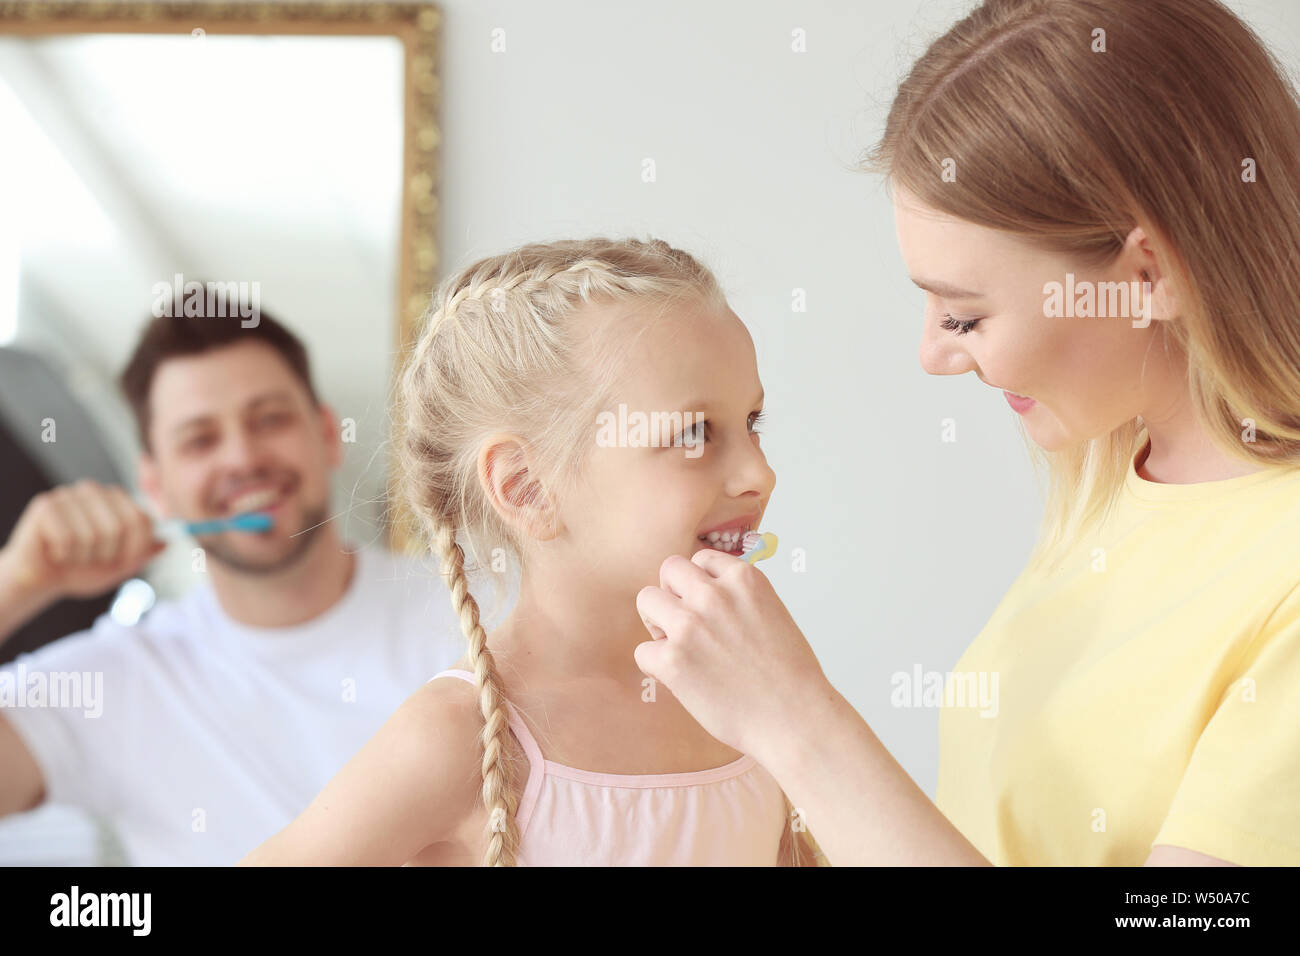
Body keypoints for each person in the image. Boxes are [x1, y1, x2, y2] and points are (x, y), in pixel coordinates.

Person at [635, 0, 1300, 866]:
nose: (931, 356)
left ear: (1146, 274)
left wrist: (798, 724)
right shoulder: (1116, 473)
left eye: (965, 314)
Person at [240, 237, 825, 866]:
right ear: (527, 488)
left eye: (752, 423)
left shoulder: (751, 696)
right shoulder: (454, 739)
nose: (758, 474)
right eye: (693, 434)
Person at [0, 308, 473, 865]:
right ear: (156, 486)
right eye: (199, 440)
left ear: (326, 435)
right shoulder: (115, 679)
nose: (243, 458)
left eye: (269, 419)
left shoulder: (481, 612)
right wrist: (17, 579)